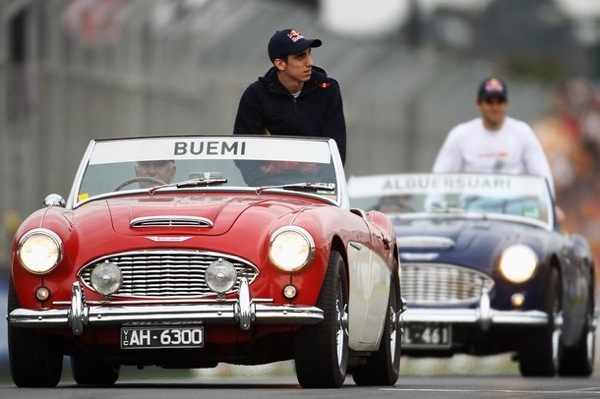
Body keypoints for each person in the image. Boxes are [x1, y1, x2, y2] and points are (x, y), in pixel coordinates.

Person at [432, 77, 564, 222]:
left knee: (553, 216)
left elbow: (542, 174)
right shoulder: (461, 135)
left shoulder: (522, 132)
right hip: (475, 207)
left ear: (506, 103)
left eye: (499, 101)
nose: (495, 107)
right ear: (479, 104)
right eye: (489, 102)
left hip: (516, 205)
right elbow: (440, 177)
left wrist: (549, 207)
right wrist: (433, 211)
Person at [233, 28, 347, 165]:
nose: (310, 62)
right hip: (268, 184)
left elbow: (336, 148)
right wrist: (263, 182)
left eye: (309, 54)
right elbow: (244, 151)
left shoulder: (327, 89)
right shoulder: (256, 95)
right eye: (300, 57)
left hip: (315, 183)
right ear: (280, 64)